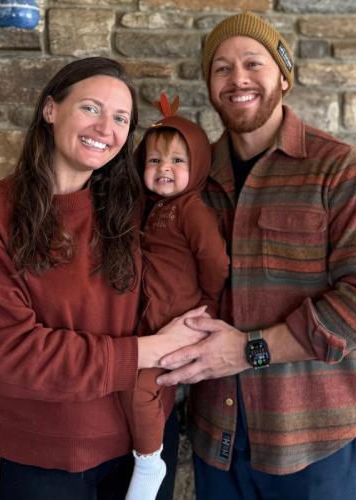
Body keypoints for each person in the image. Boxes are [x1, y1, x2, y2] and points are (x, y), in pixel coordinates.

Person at [156, 12, 356, 500]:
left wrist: (250, 349)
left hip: (315, 444)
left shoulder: (339, 169)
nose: (237, 79)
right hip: (216, 442)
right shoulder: (191, 179)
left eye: (253, 63)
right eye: (221, 68)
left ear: (283, 77)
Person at [0, 57, 207, 500]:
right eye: (91, 108)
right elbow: (13, 357)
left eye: (121, 118)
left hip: (145, 446)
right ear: (50, 109)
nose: (105, 128)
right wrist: (149, 350)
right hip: (46, 458)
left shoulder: (136, 209)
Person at [121, 95, 229, 500]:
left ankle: (150, 461)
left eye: (177, 161)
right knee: (131, 382)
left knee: (141, 387)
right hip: (152, 322)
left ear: (196, 166)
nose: (164, 168)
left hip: (181, 322)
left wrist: (208, 309)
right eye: (154, 160)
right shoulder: (148, 208)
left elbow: (215, 261)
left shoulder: (190, 210)